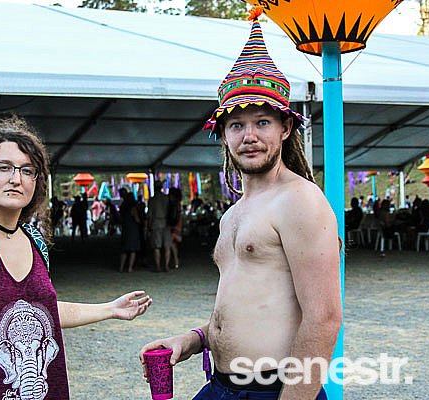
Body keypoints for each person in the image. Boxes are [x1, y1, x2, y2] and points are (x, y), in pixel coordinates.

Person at [140, 8, 340, 400]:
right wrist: (193, 340)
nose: (249, 136)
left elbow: (324, 318)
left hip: (273, 389)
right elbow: (251, 308)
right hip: (221, 387)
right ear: (224, 134)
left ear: (286, 128)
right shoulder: (233, 213)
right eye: (237, 125)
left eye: (262, 122)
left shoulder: (299, 200)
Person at [0, 117, 152, 399]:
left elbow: (41, 311)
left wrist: (110, 309)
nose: (16, 179)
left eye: (27, 170)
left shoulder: (34, 240)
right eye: (2, 167)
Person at [147, 180, 172, 272]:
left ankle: (157, 266)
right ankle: (166, 266)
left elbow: (150, 214)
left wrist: (148, 226)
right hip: (166, 223)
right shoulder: (167, 198)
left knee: (156, 247)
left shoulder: (152, 200)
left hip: (156, 223)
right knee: (167, 246)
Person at [119, 192, 141, 272]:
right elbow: (137, 219)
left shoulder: (123, 206)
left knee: (124, 249)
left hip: (125, 228)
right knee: (133, 249)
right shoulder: (133, 208)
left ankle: (121, 267)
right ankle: (130, 267)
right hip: (133, 229)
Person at [168, 187, 183, 269]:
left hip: (174, 225)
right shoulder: (178, 203)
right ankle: (176, 261)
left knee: (170, 243)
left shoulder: (174, 204)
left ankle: (174, 261)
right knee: (173, 244)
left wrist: (171, 224)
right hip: (178, 224)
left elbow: (174, 215)